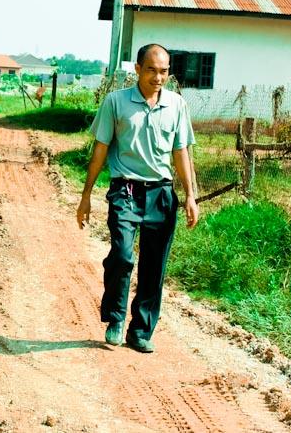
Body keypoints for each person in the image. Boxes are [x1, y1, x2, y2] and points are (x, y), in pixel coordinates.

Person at [76, 44, 199, 353]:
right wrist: (86, 194)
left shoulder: (176, 105)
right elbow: (101, 149)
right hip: (125, 190)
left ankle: (140, 331)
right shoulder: (116, 103)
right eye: (152, 70)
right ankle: (116, 318)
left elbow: (182, 152)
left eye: (164, 71)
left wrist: (190, 196)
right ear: (137, 69)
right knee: (122, 255)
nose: (158, 77)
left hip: (161, 193)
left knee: (154, 267)